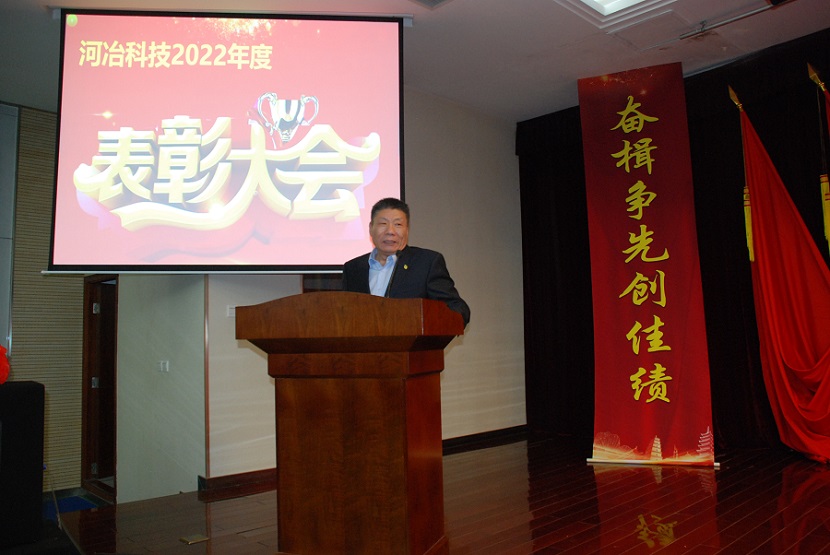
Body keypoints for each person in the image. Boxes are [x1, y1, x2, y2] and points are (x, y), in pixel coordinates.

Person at [342, 197, 470, 326]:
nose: (390, 231)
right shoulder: (353, 268)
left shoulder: (426, 263)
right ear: (371, 228)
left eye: (398, 224)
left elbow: (457, 309)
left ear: (407, 230)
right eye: (383, 224)